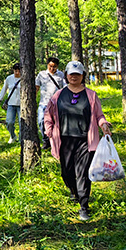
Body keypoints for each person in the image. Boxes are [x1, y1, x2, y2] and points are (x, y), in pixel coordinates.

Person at [44, 60, 112, 221]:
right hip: (64, 140)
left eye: (77, 74)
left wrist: (104, 125)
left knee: (82, 174)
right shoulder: (59, 95)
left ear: (83, 76)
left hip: (85, 141)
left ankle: (84, 206)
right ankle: (74, 192)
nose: (74, 77)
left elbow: (99, 115)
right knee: (66, 173)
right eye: (71, 74)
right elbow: (48, 114)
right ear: (66, 75)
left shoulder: (91, 95)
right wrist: (49, 130)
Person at [35, 57, 66, 150]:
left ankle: (55, 141)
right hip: (44, 103)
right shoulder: (41, 74)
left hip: (57, 103)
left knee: (56, 123)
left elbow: (65, 87)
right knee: (41, 121)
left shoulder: (61, 75)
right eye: (50, 66)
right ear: (47, 65)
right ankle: (46, 140)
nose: (52, 68)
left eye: (54, 67)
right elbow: (36, 87)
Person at [0, 63, 21, 143]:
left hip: (22, 104)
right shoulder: (9, 78)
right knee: (9, 122)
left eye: (18, 71)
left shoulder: (25, 79)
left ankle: (21, 138)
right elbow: (4, 90)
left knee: (22, 122)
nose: (17, 73)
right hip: (11, 104)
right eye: (15, 71)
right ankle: (12, 136)